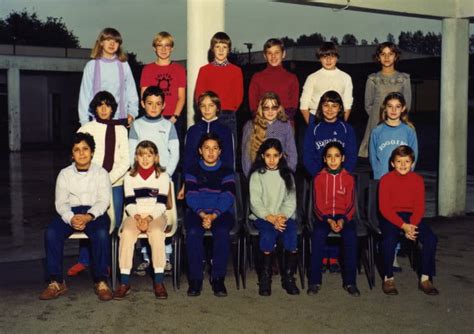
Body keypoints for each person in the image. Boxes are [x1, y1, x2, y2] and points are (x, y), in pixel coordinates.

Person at [40, 133, 113, 301]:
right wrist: (71, 218)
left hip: (94, 213)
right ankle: (56, 281)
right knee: (51, 232)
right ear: (72, 155)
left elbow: (103, 201)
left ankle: (101, 281)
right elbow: (61, 203)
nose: (82, 153)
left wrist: (88, 216)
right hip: (70, 213)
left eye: (85, 149)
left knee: (101, 234)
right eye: (77, 150)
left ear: (92, 152)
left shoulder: (101, 173)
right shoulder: (65, 174)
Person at [67, 91, 130, 277]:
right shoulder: (86, 129)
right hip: (90, 183)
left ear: (112, 108)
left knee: (113, 223)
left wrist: (107, 180)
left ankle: (107, 262)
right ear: (95, 107)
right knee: (88, 220)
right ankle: (84, 260)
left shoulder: (120, 129)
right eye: (100, 105)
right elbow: (80, 158)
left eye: (108, 105)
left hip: (115, 182)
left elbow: (125, 160)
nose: (104, 109)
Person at [128, 86, 179, 275]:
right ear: (143, 104)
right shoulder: (137, 126)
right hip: (141, 180)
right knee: (143, 214)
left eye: (158, 104)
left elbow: (174, 153)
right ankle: (147, 256)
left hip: (163, 180)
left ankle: (165, 256)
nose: (154, 107)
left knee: (162, 216)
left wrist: (165, 176)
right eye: (149, 103)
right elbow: (131, 152)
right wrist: (140, 173)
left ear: (164, 105)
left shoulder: (168, 126)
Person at [379, 145, 439, 296]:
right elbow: (385, 208)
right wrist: (403, 226)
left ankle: (425, 278)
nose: (403, 165)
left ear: (412, 162)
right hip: (391, 216)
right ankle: (388, 278)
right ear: (392, 163)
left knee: (431, 238)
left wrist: (411, 225)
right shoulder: (385, 180)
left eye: (407, 161)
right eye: (399, 161)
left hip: (412, 217)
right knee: (389, 241)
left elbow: (419, 207)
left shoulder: (417, 180)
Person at [114, 141, 170, 300]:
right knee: (127, 233)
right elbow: (130, 203)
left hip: (156, 214)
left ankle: (159, 281)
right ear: (136, 157)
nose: (145, 159)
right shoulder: (130, 177)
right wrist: (138, 217)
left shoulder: (163, 176)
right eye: (141, 155)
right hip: (135, 215)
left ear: (156, 158)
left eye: (149, 155)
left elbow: (161, 204)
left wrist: (149, 218)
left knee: (157, 233)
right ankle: (124, 282)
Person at [184, 133, 236, 297]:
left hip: (221, 213)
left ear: (220, 151)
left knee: (221, 232)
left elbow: (228, 196)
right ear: (200, 150)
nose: (211, 152)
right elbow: (191, 195)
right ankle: (196, 278)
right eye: (207, 148)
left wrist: (213, 216)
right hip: (197, 212)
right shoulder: (192, 170)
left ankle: (218, 277)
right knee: (193, 233)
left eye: (215, 148)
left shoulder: (227, 171)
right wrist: (202, 214)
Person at [307, 141, 360, 297]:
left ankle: (350, 282)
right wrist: (329, 220)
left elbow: (351, 204)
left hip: (344, 217)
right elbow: (317, 205)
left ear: (342, 158)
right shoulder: (319, 178)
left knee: (351, 236)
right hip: (324, 217)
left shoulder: (349, 178)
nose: (333, 160)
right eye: (329, 156)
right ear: (324, 159)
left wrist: (343, 220)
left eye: (336, 156)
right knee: (318, 236)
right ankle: (314, 281)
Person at [249, 138, 299, 296]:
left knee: (291, 234)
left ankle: (289, 278)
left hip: (284, 216)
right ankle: (265, 277)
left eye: (275, 155)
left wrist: (282, 217)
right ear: (262, 156)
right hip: (263, 217)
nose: (271, 159)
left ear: (281, 156)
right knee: (268, 235)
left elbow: (291, 201)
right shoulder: (257, 175)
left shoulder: (287, 175)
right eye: (268, 155)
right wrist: (270, 218)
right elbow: (255, 202)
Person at [359, 42, 411, 158]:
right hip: (376, 123)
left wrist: (395, 118)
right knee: (378, 158)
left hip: (397, 124)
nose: (387, 57)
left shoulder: (404, 79)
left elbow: (407, 104)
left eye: (390, 54)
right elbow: (368, 105)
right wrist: (378, 117)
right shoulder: (373, 79)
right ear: (378, 57)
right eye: (383, 54)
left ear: (396, 56)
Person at [78, 27, 138, 126]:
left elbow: (131, 92)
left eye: (116, 41)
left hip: (119, 120)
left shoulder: (124, 65)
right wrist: (84, 122)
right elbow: (84, 96)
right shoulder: (91, 66)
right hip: (96, 121)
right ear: (101, 42)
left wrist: (132, 113)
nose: (112, 44)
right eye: (108, 40)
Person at [194, 32, 243, 143]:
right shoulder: (204, 70)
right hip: (209, 115)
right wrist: (207, 111)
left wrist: (231, 109)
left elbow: (239, 95)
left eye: (224, 47)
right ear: (212, 49)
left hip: (228, 115)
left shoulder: (236, 71)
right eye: (217, 47)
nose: (221, 50)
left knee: (229, 148)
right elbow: (199, 95)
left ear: (229, 49)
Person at [140, 31, 186, 137]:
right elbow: (144, 97)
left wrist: (174, 117)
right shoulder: (147, 69)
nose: (163, 49)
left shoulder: (179, 70)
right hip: (153, 117)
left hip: (173, 119)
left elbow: (181, 97)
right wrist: (151, 118)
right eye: (159, 46)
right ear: (154, 48)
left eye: (167, 46)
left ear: (172, 48)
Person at [242, 92, 297, 178]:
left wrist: (287, 175)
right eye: (266, 108)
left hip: (280, 175)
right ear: (261, 109)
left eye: (274, 107)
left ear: (279, 108)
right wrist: (251, 179)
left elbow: (292, 155)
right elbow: (246, 158)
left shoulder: (286, 125)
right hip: (259, 175)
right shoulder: (251, 126)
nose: (270, 111)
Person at [303, 90, 357, 178]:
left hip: (341, 176)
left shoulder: (347, 129)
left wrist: (343, 174)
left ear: (340, 108)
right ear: (321, 107)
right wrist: (319, 175)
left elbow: (351, 156)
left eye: (334, 106)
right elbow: (307, 156)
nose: (330, 109)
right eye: (326, 105)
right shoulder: (313, 128)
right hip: (319, 176)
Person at [248, 38, 299, 124]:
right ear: (265, 56)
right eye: (269, 53)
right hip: (263, 124)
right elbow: (253, 106)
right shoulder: (257, 77)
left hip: (285, 124)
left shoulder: (292, 78)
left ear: (283, 54)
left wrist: (281, 121)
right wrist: (263, 120)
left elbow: (294, 106)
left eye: (277, 53)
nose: (273, 56)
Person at [300, 42, 353, 124]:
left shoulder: (346, 78)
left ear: (337, 58)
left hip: (338, 120)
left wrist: (341, 125)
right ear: (319, 58)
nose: (328, 60)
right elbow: (303, 106)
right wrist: (312, 126)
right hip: (315, 119)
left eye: (332, 56)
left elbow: (347, 105)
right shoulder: (312, 78)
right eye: (324, 56)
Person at [369, 92, 418, 180]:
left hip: (403, 178)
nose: (393, 110)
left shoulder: (409, 131)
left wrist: (408, 174)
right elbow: (373, 157)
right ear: (385, 108)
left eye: (397, 106)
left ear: (403, 108)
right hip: (382, 178)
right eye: (390, 106)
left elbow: (414, 156)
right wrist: (377, 174)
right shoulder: (377, 131)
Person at [183, 91, 235, 174]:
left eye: (211, 105)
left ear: (217, 108)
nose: (207, 109)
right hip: (196, 178)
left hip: (219, 178)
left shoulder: (225, 131)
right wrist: (185, 182)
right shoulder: (192, 131)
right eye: (203, 106)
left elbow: (228, 160)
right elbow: (188, 160)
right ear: (199, 108)